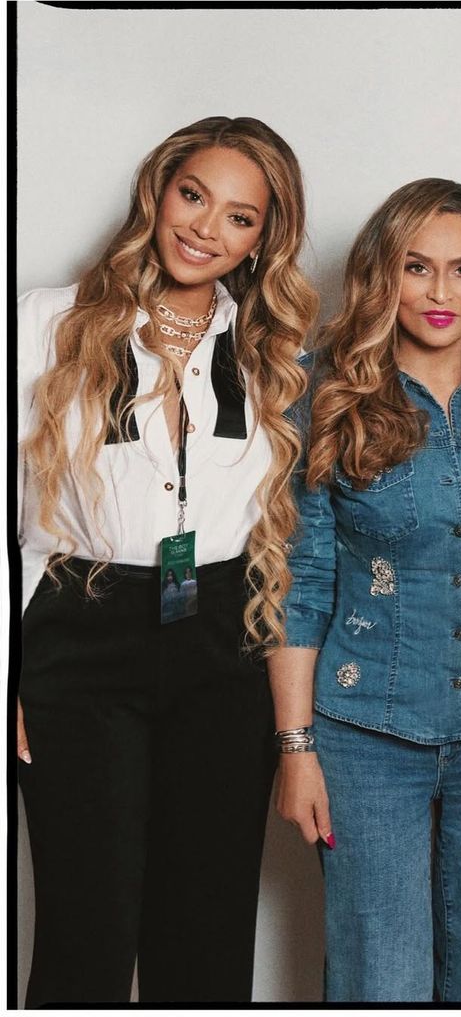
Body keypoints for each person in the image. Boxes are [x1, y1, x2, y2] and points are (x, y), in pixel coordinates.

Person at [16, 116, 317, 1005]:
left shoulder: (275, 352)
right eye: (193, 196)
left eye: (239, 217)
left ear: (263, 239)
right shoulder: (45, 322)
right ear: (158, 192)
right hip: (81, 629)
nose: (205, 228)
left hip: (223, 637)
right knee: (85, 931)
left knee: (208, 933)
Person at [269, 178, 461, 1002]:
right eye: (417, 266)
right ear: (382, 274)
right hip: (365, 736)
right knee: (381, 982)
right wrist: (295, 749)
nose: (440, 292)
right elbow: (300, 582)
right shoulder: (323, 393)